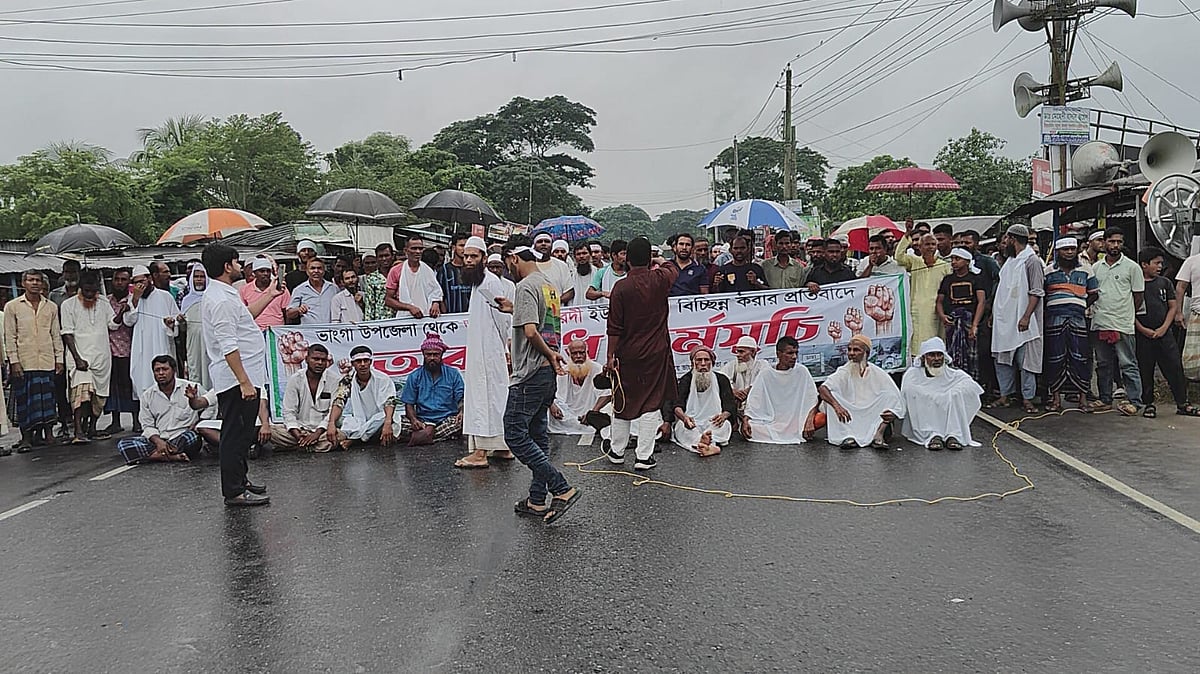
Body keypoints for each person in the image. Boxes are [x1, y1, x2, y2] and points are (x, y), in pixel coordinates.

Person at [499, 245, 582, 524]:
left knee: (514, 433)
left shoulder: (525, 286)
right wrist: (513, 310)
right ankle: (536, 500)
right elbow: (542, 321)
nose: (508, 268)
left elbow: (532, 331)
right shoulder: (548, 284)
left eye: (507, 262)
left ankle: (561, 488)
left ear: (514, 258)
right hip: (547, 375)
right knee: (537, 434)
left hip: (531, 371)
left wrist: (548, 353)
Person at [201, 243, 270, 507]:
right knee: (234, 436)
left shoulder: (226, 295)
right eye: (237, 261)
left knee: (242, 435)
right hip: (237, 380)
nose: (242, 266)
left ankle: (241, 480)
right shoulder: (220, 300)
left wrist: (271, 295)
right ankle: (234, 491)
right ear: (227, 266)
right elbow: (228, 345)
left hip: (246, 375)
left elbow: (246, 318)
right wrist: (243, 381)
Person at [605, 237, 678, 471]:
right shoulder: (659, 279)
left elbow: (613, 327)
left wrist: (610, 356)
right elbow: (672, 267)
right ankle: (643, 456)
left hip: (627, 353)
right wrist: (657, 259)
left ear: (627, 259)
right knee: (651, 402)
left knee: (622, 400)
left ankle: (617, 451)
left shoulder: (620, 287)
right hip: (655, 352)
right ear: (648, 258)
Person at [456, 237, 516, 469]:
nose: (469, 261)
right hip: (483, 349)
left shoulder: (489, 283)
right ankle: (501, 447)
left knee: (485, 397)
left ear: (483, 258)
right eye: (466, 257)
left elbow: (504, 319)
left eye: (474, 256)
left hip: (490, 351)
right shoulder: (478, 282)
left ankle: (481, 453)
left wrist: (506, 348)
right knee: (492, 397)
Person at [1135, 248, 1200, 418]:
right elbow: (1129, 310)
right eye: (1156, 263)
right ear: (1144, 264)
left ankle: (1182, 403)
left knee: (1174, 367)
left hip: (1164, 333)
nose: (1160, 266)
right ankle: (1148, 403)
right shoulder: (1135, 284)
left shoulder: (1164, 283)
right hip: (1143, 333)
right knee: (1145, 368)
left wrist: (1164, 327)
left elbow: (1172, 306)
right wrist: (1143, 329)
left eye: (1161, 263)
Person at [116, 354, 215, 464]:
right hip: (159, 438)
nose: (161, 373)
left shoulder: (190, 387)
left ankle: (155, 455)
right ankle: (171, 457)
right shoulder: (147, 396)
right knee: (124, 445)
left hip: (182, 436)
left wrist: (201, 422)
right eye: (157, 370)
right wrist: (158, 442)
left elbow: (211, 403)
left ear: (174, 371)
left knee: (192, 438)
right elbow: (147, 425)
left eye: (165, 369)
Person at [5, 271, 64, 451]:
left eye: (38, 280)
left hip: (46, 360)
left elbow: (56, 334)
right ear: (24, 283)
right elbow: (10, 335)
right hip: (24, 361)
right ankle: (26, 439)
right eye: (31, 280)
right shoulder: (12, 306)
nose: (35, 284)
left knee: (47, 400)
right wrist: (14, 361)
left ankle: (48, 435)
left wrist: (59, 359)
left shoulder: (51, 307)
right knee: (26, 402)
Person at [60, 269, 120, 444]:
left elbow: (113, 325)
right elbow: (67, 333)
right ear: (80, 288)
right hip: (79, 357)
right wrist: (77, 359)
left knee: (99, 397)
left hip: (101, 357)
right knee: (81, 393)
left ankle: (92, 428)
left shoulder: (103, 303)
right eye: (86, 291)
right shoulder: (68, 305)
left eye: (92, 291)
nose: (89, 295)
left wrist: (122, 313)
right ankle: (78, 431)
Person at [990, 224, 1045, 414]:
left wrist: (1026, 316)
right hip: (1005, 320)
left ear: (1013, 239)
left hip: (1025, 321)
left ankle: (1028, 398)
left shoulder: (1032, 261)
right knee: (1003, 358)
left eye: (1006, 239)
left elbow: (1036, 291)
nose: (1004, 243)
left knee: (1026, 362)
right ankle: (1005, 395)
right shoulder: (1011, 261)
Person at [1090, 228, 1144, 416]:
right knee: (1103, 364)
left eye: (1119, 242)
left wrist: (1127, 314)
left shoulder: (1132, 267)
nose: (1115, 245)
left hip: (1122, 323)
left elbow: (1138, 297)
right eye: (1112, 241)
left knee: (1127, 363)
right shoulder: (1096, 268)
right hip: (1100, 322)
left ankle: (1134, 402)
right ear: (1104, 243)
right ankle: (1105, 399)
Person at [1042, 237, 1099, 412]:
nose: (1069, 252)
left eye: (1072, 249)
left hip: (1078, 318)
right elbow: (1041, 295)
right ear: (1058, 252)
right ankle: (1056, 399)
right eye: (1065, 249)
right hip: (1054, 318)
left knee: (1080, 357)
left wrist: (1079, 305)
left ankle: (1082, 399)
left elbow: (1094, 293)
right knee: (1054, 357)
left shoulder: (1086, 270)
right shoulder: (1048, 271)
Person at [819, 334, 903, 449]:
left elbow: (897, 398)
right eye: (849, 349)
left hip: (871, 413)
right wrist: (838, 406)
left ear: (866, 353)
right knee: (831, 396)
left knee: (889, 396)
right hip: (849, 412)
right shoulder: (844, 370)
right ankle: (847, 436)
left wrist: (893, 413)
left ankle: (878, 435)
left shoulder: (877, 372)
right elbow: (823, 389)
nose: (851, 353)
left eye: (856, 350)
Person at [900, 337, 983, 450]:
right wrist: (930, 395)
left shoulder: (953, 373)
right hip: (924, 417)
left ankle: (952, 435)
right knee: (921, 396)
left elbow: (971, 385)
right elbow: (907, 391)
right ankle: (933, 435)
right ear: (924, 357)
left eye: (939, 355)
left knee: (955, 395)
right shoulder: (913, 374)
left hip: (948, 405)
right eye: (932, 355)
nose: (937, 358)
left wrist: (954, 393)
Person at [741, 336, 819, 443]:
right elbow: (754, 401)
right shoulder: (766, 373)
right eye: (790, 353)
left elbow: (813, 399)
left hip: (797, 420)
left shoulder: (802, 371)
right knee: (751, 428)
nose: (794, 357)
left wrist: (809, 420)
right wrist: (746, 420)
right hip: (771, 421)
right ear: (778, 354)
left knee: (820, 419)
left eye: (796, 353)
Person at [268, 344, 343, 452]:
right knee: (272, 431)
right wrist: (298, 434)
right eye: (316, 359)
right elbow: (289, 411)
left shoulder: (335, 380)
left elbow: (333, 412)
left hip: (322, 431)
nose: (320, 363)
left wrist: (317, 433)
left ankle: (299, 447)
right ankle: (307, 445)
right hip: (300, 429)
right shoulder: (295, 379)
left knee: (339, 435)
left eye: (323, 360)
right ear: (306, 359)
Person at [127, 264, 180, 410]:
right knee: (141, 375)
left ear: (149, 279)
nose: (140, 285)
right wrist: (135, 299)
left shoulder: (165, 296)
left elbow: (176, 319)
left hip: (161, 344)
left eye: (142, 281)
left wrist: (171, 323)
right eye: (136, 283)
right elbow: (128, 320)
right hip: (142, 347)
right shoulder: (133, 299)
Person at [325, 346, 399, 448]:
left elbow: (389, 401)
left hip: (380, 418)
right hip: (359, 419)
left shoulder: (382, 378)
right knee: (338, 419)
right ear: (353, 364)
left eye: (366, 361)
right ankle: (362, 436)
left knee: (384, 418)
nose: (363, 364)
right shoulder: (348, 380)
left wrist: (387, 423)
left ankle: (355, 440)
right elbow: (339, 401)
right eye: (359, 361)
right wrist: (331, 423)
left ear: (371, 362)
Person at [671, 346, 737, 457]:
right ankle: (709, 445)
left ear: (712, 363)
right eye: (699, 360)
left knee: (724, 425)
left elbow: (729, 405)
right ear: (693, 363)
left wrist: (723, 416)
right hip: (692, 421)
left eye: (706, 360)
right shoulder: (685, 379)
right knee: (682, 428)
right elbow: (677, 405)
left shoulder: (722, 379)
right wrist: (684, 418)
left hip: (713, 421)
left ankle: (703, 443)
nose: (702, 363)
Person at [398, 334, 465, 442]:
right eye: (428, 355)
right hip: (422, 421)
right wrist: (414, 420)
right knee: (397, 423)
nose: (432, 358)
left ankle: (424, 436)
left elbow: (461, 398)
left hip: (446, 419)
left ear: (442, 355)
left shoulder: (453, 374)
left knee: (461, 422)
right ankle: (433, 435)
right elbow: (409, 404)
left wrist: (462, 412)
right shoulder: (414, 376)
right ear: (423, 355)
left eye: (436, 354)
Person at [895, 231, 952, 353]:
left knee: (935, 342)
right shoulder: (915, 262)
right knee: (917, 344)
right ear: (920, 247)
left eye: (933, 244)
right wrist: (907, 235)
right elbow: (899, 257)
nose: (930, 247)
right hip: (917, 309)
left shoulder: (944, 265)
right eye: (927, 244)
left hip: (936, 310)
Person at [936, 248, 985, 381]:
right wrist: (942, 316)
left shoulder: (976, 279)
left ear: (967, 261)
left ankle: (971, 382)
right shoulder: (947, 280)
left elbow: (981, 302)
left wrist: (974, 325)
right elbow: (939, 301)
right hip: (953, 321)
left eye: (957, 259)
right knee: (952, 351)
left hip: (969, 319)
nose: (953, 262)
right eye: (952, 259)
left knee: (971, 353)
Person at [549, 338, 612, 436]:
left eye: (581, 353)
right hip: (568, 413)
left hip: (593, 410)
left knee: (608, 408)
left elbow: (607, 394)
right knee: (548, 409)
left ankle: (589, 423)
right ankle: (583, 424)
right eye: (574, 353)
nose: (578, 356)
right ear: (569, 354)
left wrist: (593, 412)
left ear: (587, 353)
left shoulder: (597, 369)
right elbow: (553, 393)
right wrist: (552, 405)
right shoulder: (564, 371)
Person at [104, 267, 139, 434]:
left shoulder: (134, 300)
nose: (119, 283)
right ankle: (115, 421)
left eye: (123, 279)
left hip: (131, 350)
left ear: (129, 282)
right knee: (114, 389)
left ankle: (136, 421)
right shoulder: (106, 301)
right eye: (117, 279)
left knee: (131, 387)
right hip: (111, 351)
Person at [386, 237, 443, 319]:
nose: (418, 251)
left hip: (426, 318)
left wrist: (435, 303)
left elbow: (436, 291)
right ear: (406, 250)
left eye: (420, 249)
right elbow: (388, 300)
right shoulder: (396, 271)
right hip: (405, 319)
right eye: (414, 248)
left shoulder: (427, 270)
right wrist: (409, 307)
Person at [179, 262, 210, 389]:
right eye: (196, 277)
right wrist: (180, 321)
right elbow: (183, 329)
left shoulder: (210, 298)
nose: (199, 280)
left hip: (209, 341)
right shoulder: (186, 300)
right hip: (193, 342)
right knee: (195, 370)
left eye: (202, 277)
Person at [718, 335, 763, 417]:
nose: (738, 355)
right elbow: (720, 379)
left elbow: (763, 382)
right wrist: (732, 391)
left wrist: (748, 391)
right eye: (737, 352)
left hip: (756, 410)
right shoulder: (731, 365)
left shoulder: (762, 365)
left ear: (753, 352)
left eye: (741, 352)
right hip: (735, 410)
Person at [240, 258, 290, 330]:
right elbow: (243, 313)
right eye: (262, 271)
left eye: (268, 271)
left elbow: (286, 312)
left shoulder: (280, 289)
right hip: (254, 330)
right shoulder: (244, 290)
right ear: (254, 273)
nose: (265, 274)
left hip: (277, 330)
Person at [287, 258, 336, 325]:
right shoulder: (299, 290)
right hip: (309, 332)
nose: (316, 271)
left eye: (319, 268)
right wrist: (298, 309)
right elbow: (289, 314)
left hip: (330, 331)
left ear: (324, 271)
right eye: (312, 268)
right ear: (307, 271)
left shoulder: (334, 288)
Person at [1175, 249, 1200, 380]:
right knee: (1193, 360)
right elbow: (1180, 287)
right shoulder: (1192, 261)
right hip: (1197, 314)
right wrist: (1178, 312)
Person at [532, 232, 576, 305]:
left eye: (547, 241)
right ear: (534, 246)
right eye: (540, 241)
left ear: (552, 246)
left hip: (557, 312)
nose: (543, 244)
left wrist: (553, 303)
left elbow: (569, 292)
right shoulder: (529, 265)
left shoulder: (561, 266)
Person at [437, 232, 472, 314]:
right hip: (451, 319)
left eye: (467, 246)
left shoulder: (473, 270)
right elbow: (439, 295)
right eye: (461, 246)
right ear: (453, 247)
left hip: (471, 317)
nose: (464, 249)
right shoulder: (444, 270)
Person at [587, 239, 627, 306]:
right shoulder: (602, 272)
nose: (625, 257)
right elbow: (589, 294)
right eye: (623, 254)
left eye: (626, 254)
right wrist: (603, 293)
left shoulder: (631, 272)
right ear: (614, 255)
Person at [363, 242, 396, 321]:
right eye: (381, 256)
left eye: (386, 255)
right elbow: (369, 305)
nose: (384, 259)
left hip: (400, 319)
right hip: (380, 322)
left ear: (392, 256)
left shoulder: (400, 274)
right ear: (377, 258)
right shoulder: (371, 278)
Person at [568, 242, 599, 306]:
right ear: (574, 257)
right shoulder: (571, 275)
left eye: (584, 253)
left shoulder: (598, 273)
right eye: (578, 254)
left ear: (590, 255)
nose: (581, 256)